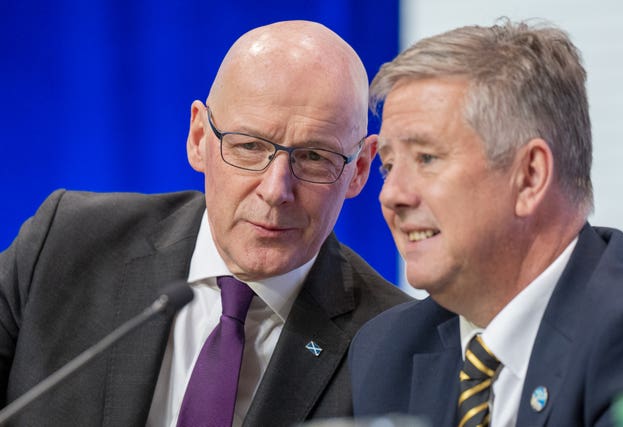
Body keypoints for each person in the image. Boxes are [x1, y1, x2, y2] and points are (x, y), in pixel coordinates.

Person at [0, 20, 411, 426]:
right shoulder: (64, 244)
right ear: (199, 138)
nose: (275, 190)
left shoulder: (398, 347)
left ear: (358, 169)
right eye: (249, 146)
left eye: (314, 157)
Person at [349, 19, 623, 426]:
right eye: (388, 166)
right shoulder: (386, 351)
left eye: (427, 159)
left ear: (530, 176)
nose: (391, 195)